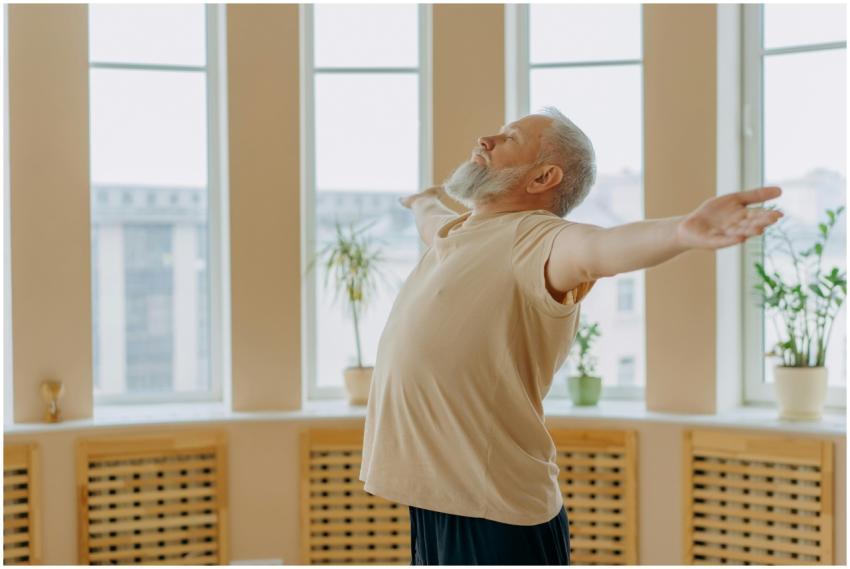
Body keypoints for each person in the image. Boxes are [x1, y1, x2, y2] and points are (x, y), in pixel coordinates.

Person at [358, 106, 783, 565]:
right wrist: (421, 200)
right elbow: (429, 216)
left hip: (495, 514)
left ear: (543, 178)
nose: (486, 139)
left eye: (509, 138)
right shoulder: (453, 232)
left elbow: (599, 249)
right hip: (436, 501)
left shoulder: (538, 239)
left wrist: (680, 233)